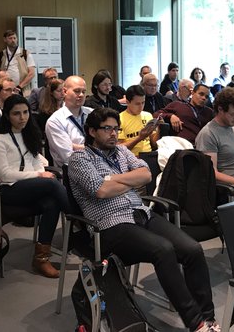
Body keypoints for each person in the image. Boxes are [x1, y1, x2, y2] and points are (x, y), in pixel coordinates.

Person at [68, 108, 220, 332]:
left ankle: (208, 317)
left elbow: (146, 174)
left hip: (141, 213)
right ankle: (196, 323)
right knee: (163, 250)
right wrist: (127, 181)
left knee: (192, 249)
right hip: (110, 225)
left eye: (116, 129)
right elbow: (100, 190)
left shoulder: (122, 151)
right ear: (92, 131)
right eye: (107, 129)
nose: (113, 133)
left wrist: (111, 179)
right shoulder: (80, 159)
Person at [0, 94, 70, 278]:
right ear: (7, 115)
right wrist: (38, 175)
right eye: (16, 113)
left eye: (25, 112)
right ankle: (77, 216)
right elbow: (5, 174)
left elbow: (38, 162)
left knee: (51, 203)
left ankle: (41, 258)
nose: (22, 117)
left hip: (30, 187)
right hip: (8, 189)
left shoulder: (29, 134)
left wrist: (39, 173)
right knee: (52, 184)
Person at [45, 75, 93, 171]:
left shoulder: (92, 113)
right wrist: (96, 149)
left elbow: (107, 143)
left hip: (101, 165)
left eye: (84, 92)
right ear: (64, 91)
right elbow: (69, 157)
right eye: (77, 91)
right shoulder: (55, 121)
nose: (81, 95)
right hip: (74, 171)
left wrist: (76, 146)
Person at [0, 29, 36, 97]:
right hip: (5, 91)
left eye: (14, 38)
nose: (13, 40)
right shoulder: (0, 55)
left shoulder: (25, 54)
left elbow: (32, 73)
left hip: (23, 91)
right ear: (5, 39)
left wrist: (20, 87)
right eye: (10, 38)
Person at [118, 85, 158, 156]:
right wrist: (139, 138)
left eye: (143, 103)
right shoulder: (120, 119)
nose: (141, 107)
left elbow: (154, 144)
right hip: (131, 157)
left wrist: (160, 129)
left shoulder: (148, 115)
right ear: (127, 102)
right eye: (137, 104)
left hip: (149, 155)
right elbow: (119, 148)